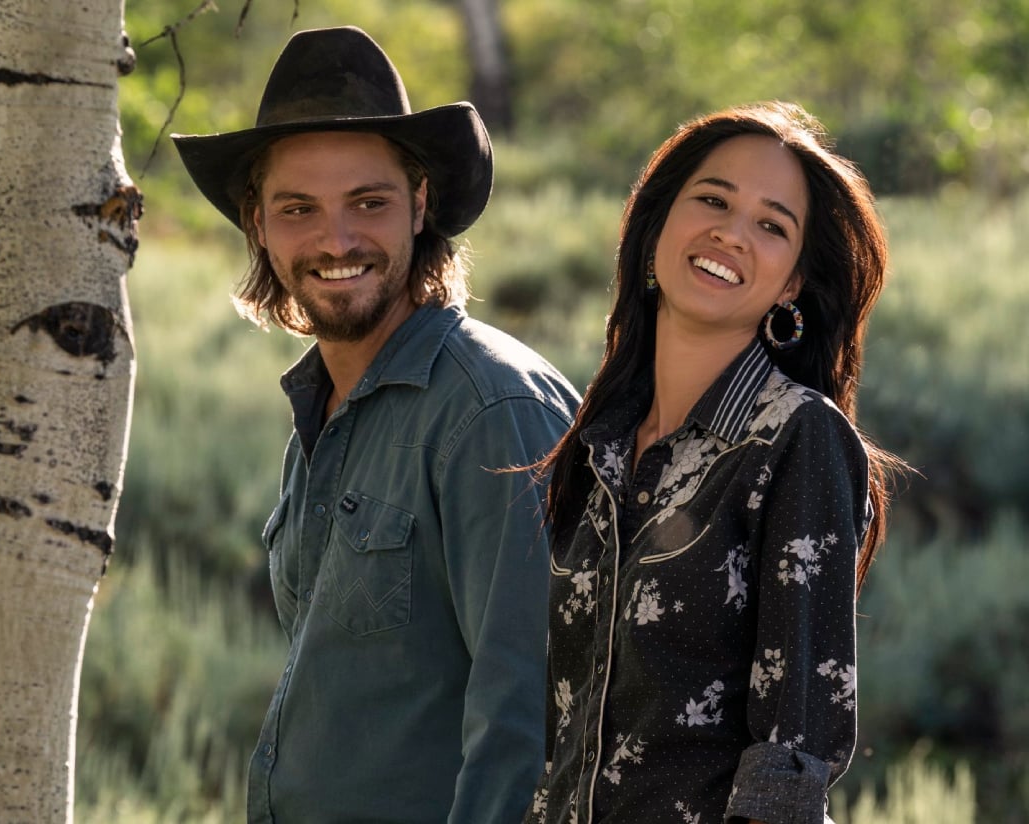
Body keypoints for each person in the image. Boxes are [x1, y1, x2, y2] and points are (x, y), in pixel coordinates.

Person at [172, 26, 580, 824]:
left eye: (369, 201)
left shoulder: (494, 413)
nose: (336, 240)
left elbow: (530, 726)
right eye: (299, 208)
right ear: (258, 222)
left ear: (420, 204)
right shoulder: (323, 408)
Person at [525, 101, 901, 824]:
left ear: (792, 282)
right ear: (657, 223)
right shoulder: (599, 443)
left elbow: (791, 756)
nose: (730, 233)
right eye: (712, 200)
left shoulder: (796, 438)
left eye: (772, 225)